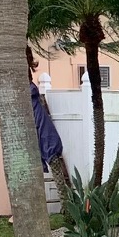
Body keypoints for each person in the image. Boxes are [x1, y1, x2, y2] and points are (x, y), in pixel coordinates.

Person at [28, 48, 70, 190]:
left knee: (60, 181)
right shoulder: (32, 95)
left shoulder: (31, 94)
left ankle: (67, 204)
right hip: (48, 143)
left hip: (50, 146)